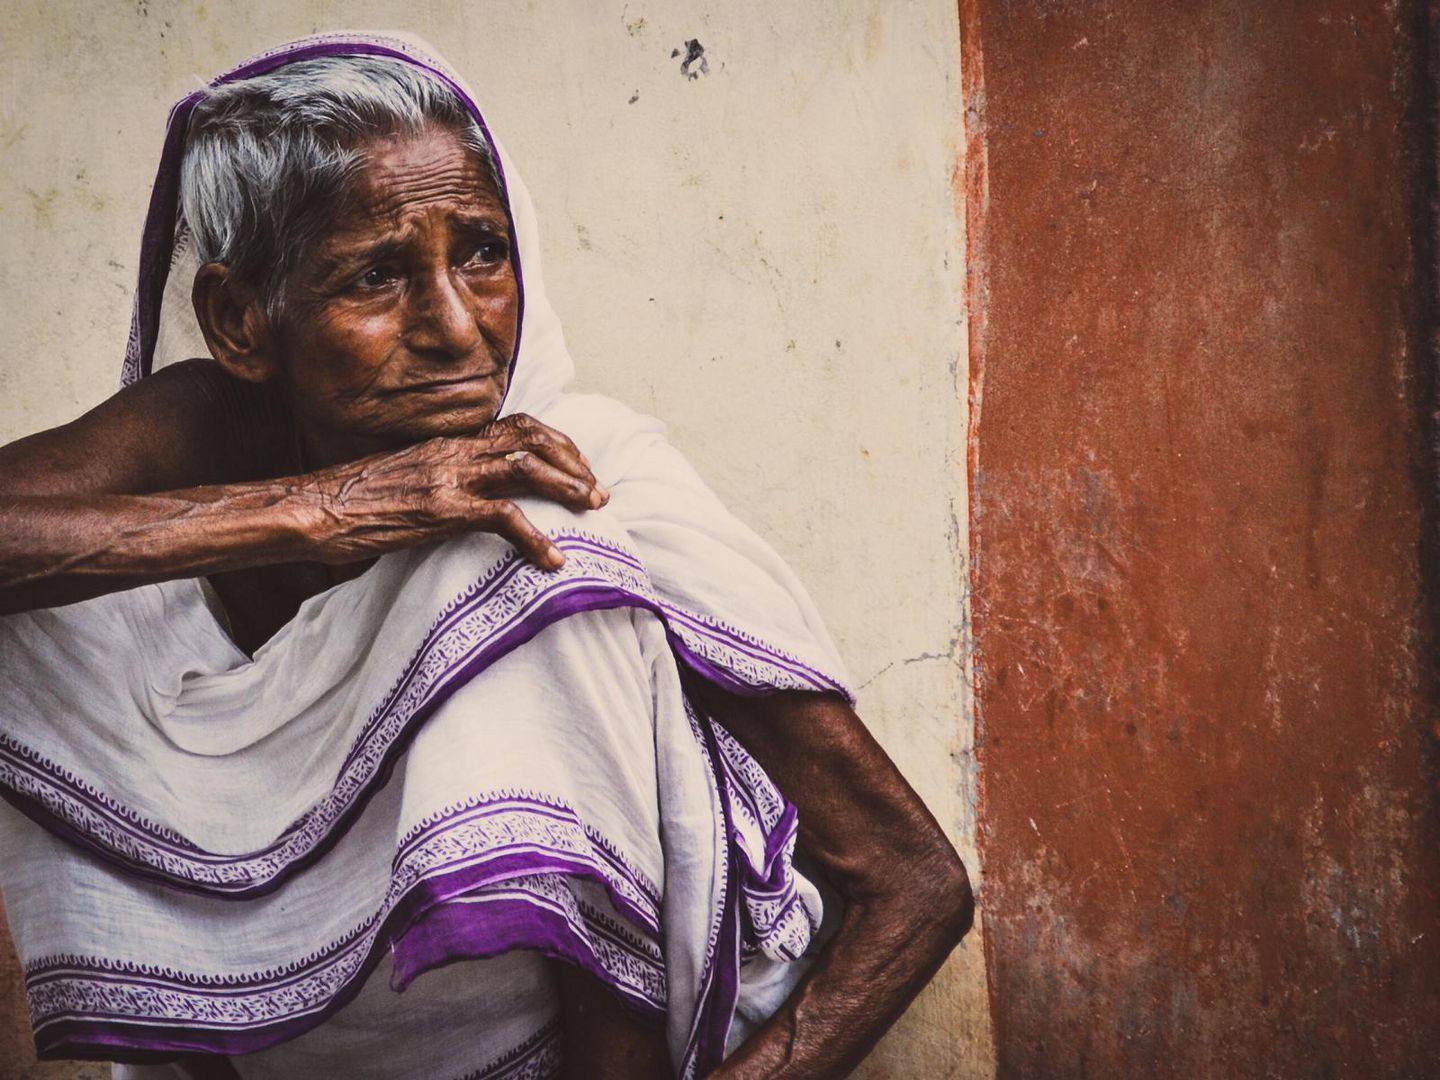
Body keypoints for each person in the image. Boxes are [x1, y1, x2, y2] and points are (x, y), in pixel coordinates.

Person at [0, 33, 972, 1080]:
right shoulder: (216, 426)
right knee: (45, 596)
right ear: (241, 322)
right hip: (313, 1037)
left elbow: (917, 883)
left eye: (481, 252)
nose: (458, 327)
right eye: (376, 276)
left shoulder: (592, 478)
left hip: (602, 1033)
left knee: (535, 559)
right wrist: (321, 510)